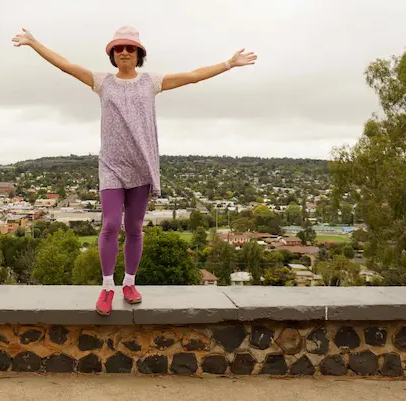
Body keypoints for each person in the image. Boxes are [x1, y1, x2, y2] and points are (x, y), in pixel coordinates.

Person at [13, 25, 257, 316]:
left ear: (139, 54)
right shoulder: (101, 82)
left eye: (130, 48)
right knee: (111, 224)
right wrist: (33, 42)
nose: (124, 52)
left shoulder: (150, 82)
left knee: (135, 228)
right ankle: (107, 287)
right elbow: (65, 65)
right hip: (112, 166)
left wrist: (229, 63)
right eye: (118, 48)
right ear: (112, 54)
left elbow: (192, 76)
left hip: (142, 165)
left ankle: (129, 282)